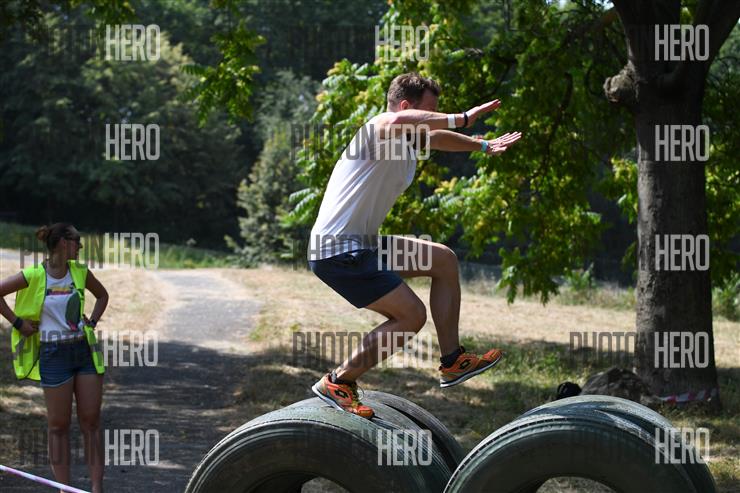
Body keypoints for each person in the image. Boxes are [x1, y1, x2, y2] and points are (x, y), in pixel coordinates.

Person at [308, 73, 523, 418]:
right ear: (407, 106)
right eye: (430, 111)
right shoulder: (379, 128)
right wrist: (463, 117)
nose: (434, 118)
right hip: (337, 251)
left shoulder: (407, 141)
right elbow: (401, 121)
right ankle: (339, 381)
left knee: (443, 260)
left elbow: (437, 138)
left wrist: (483, 146)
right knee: (411, 315)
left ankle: (453, 361)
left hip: (363, 245)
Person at [1, 223, 108, 492]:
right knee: (59, 426)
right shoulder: (34, 274)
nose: (80, 247)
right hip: (53, 354)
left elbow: (102, 295)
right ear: (62, 243)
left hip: (83, 352)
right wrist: (17, 323)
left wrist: (92, 321)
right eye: (76, 242)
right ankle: (64, 489)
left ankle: (97, 488)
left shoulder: (80, 271)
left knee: (91, 421)